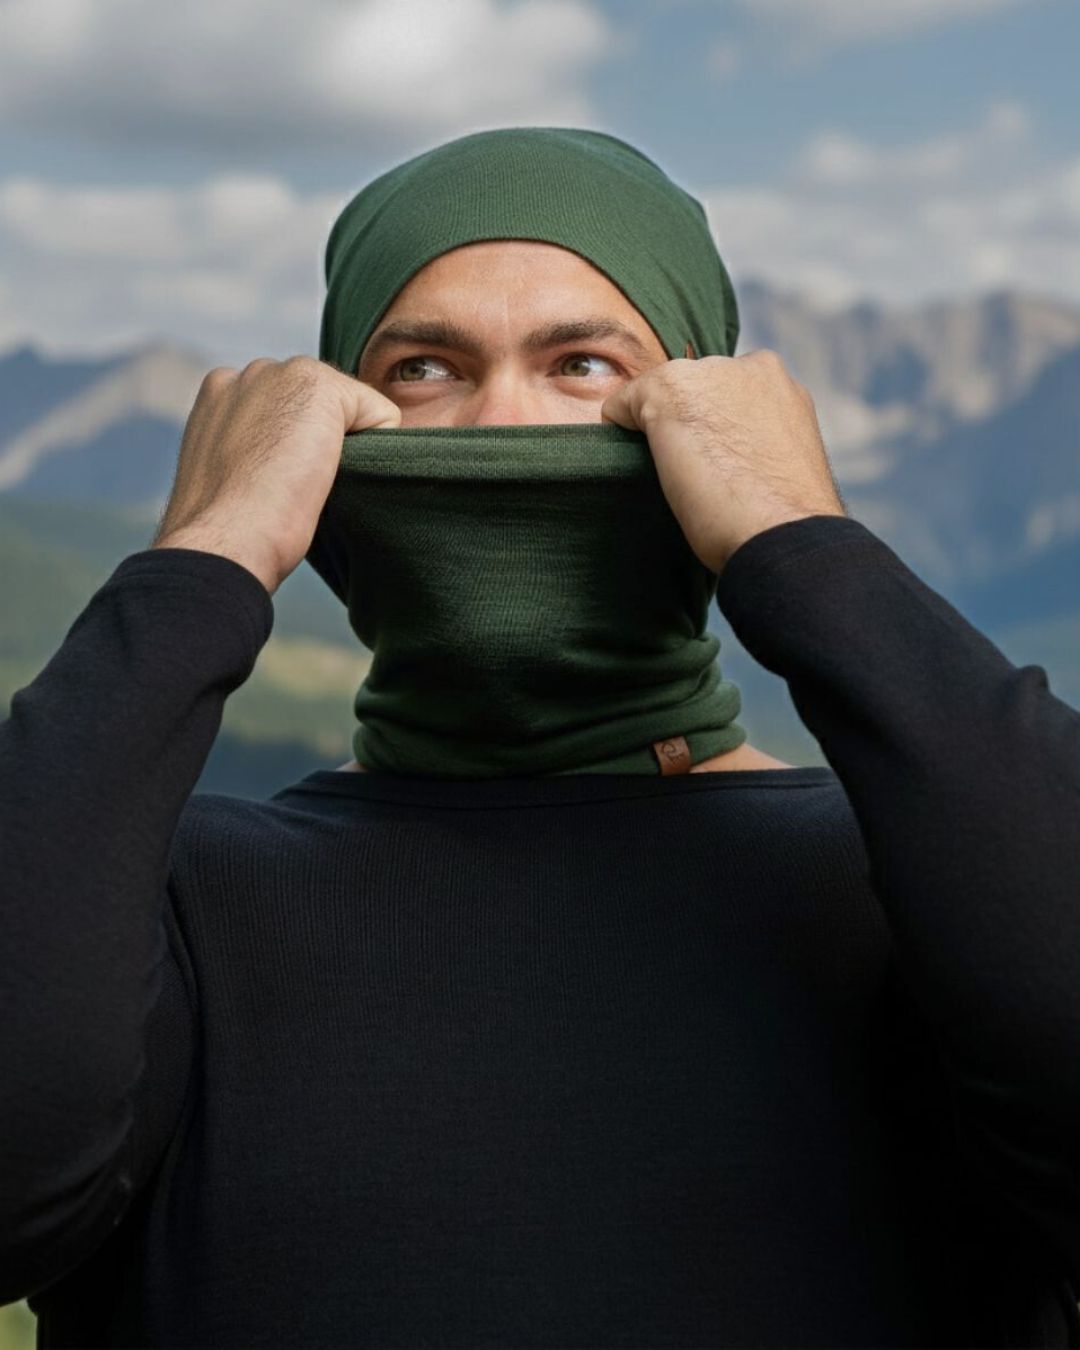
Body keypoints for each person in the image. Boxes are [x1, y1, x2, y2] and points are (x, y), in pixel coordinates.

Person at [1, 127, 1078, 1349]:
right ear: (326, 437)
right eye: (420, 370)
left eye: (582, 364)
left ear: (704, 420)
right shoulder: (166, 896)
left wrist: (799, 540)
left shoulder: (922, 874)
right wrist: (204, 559)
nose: (494, 422)